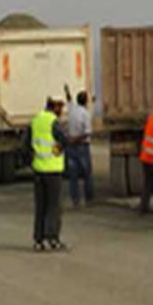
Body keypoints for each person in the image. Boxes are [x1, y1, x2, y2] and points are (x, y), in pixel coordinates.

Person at [30, 98, 67, 251]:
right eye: (60, 107)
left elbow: (25, 144)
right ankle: (53, 238)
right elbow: (63, 140)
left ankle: (38, 240)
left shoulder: (35, 120)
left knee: (40, 206)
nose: (62, 111)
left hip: (38, 170)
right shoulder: (54, 122)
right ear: (54, 107)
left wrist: (33, 160)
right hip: (53, 170)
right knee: (54, 206)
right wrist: (57, 151)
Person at [64, 90, 94, 208]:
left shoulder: (72, 110)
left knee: (73, 176)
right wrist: (76, 139)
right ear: (85, 101)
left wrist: (66, 91)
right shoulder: (85, 114)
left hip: (71, 147)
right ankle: (89, 199)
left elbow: (69, 100)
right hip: (81, 146)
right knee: (87, 174)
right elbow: (87, 133)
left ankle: (75, 200)